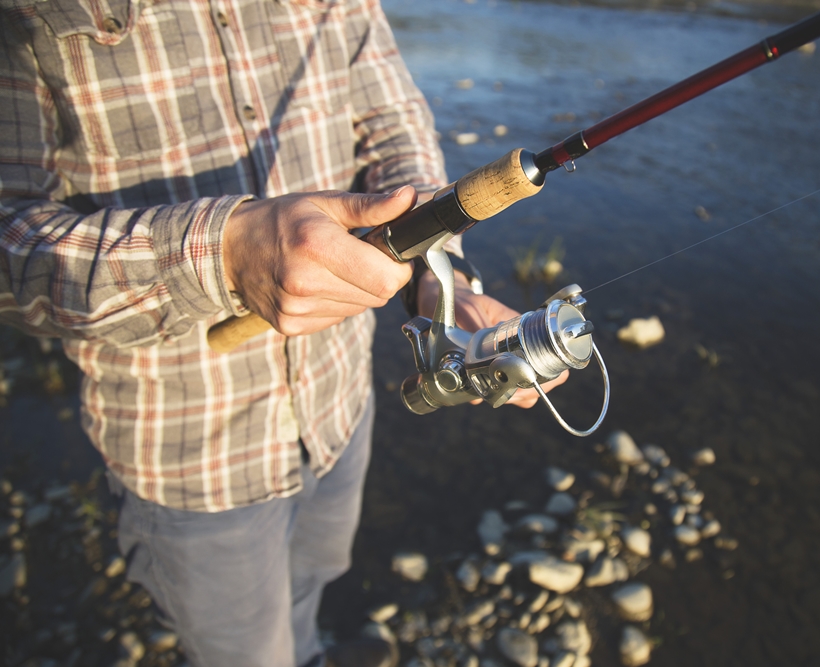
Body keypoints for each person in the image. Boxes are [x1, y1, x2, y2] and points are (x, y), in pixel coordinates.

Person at [0, 1, 564, 665]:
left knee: (312, 581)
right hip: (191, 457)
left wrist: (443, 286)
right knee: (244, 650)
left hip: (339, 407)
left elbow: (392, 129)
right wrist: (223, 253)